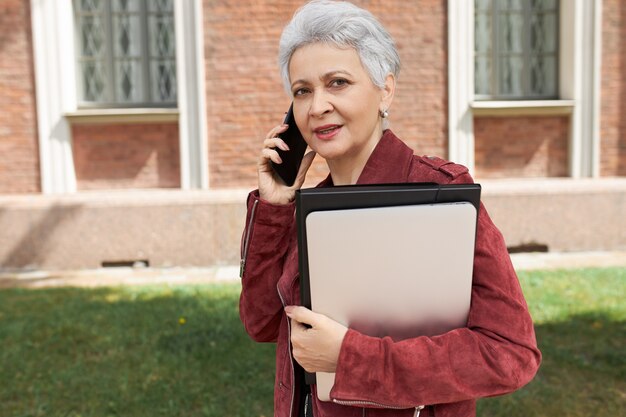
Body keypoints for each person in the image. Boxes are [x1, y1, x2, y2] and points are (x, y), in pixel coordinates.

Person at [239, 1, 541, 416]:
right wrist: (274, 210)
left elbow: (510, 354)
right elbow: (260, 323)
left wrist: (350, 358)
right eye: (302, 90)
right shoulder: (304, 209)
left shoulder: (440, 193)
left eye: (338, 82)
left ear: (386, 90)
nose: (317, 106)